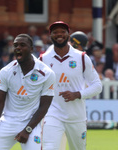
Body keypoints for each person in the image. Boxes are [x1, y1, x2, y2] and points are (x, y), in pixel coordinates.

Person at [0, 33, 56, 150]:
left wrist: (28, 130)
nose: (18, 48)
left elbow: (44, 106)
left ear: (31, 49)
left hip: (31, 123)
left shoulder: (47, 73)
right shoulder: (6, 71)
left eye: (22, 45)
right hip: (7, 121)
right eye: (16, 45)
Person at [39, 21, 102, 150]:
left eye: (63, 32)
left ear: (69, 35)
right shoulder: (43, 59)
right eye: (55, 32)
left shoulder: (82, 58)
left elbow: (97, 86)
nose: (59, 35)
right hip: (52, 114)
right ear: (50, 35)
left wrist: (78, 94)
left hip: (76, 116)